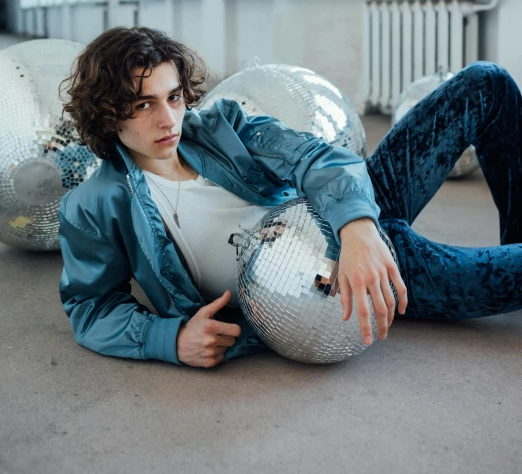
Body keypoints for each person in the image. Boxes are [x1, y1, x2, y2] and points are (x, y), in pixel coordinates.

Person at [58, 26, 522, 369]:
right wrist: (170, 338)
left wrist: (359, 228)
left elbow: (317, 158)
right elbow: (90, 306)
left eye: (174, 97)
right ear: (105, 114)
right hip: (325, 287)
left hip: (348, 221)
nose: (169, 119)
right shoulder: (92, 207)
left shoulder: (219, 127)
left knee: (487, 82)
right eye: (144, 105)